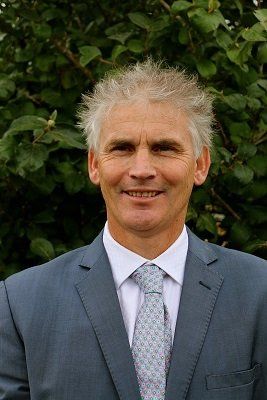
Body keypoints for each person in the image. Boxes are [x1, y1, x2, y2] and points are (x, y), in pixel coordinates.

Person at [0, 60, 266, 400]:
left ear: (200, 164)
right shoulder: (20, 305)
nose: (141, 169)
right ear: (95, 165)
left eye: (164, 148)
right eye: (122, 148)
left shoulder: (260, 293)